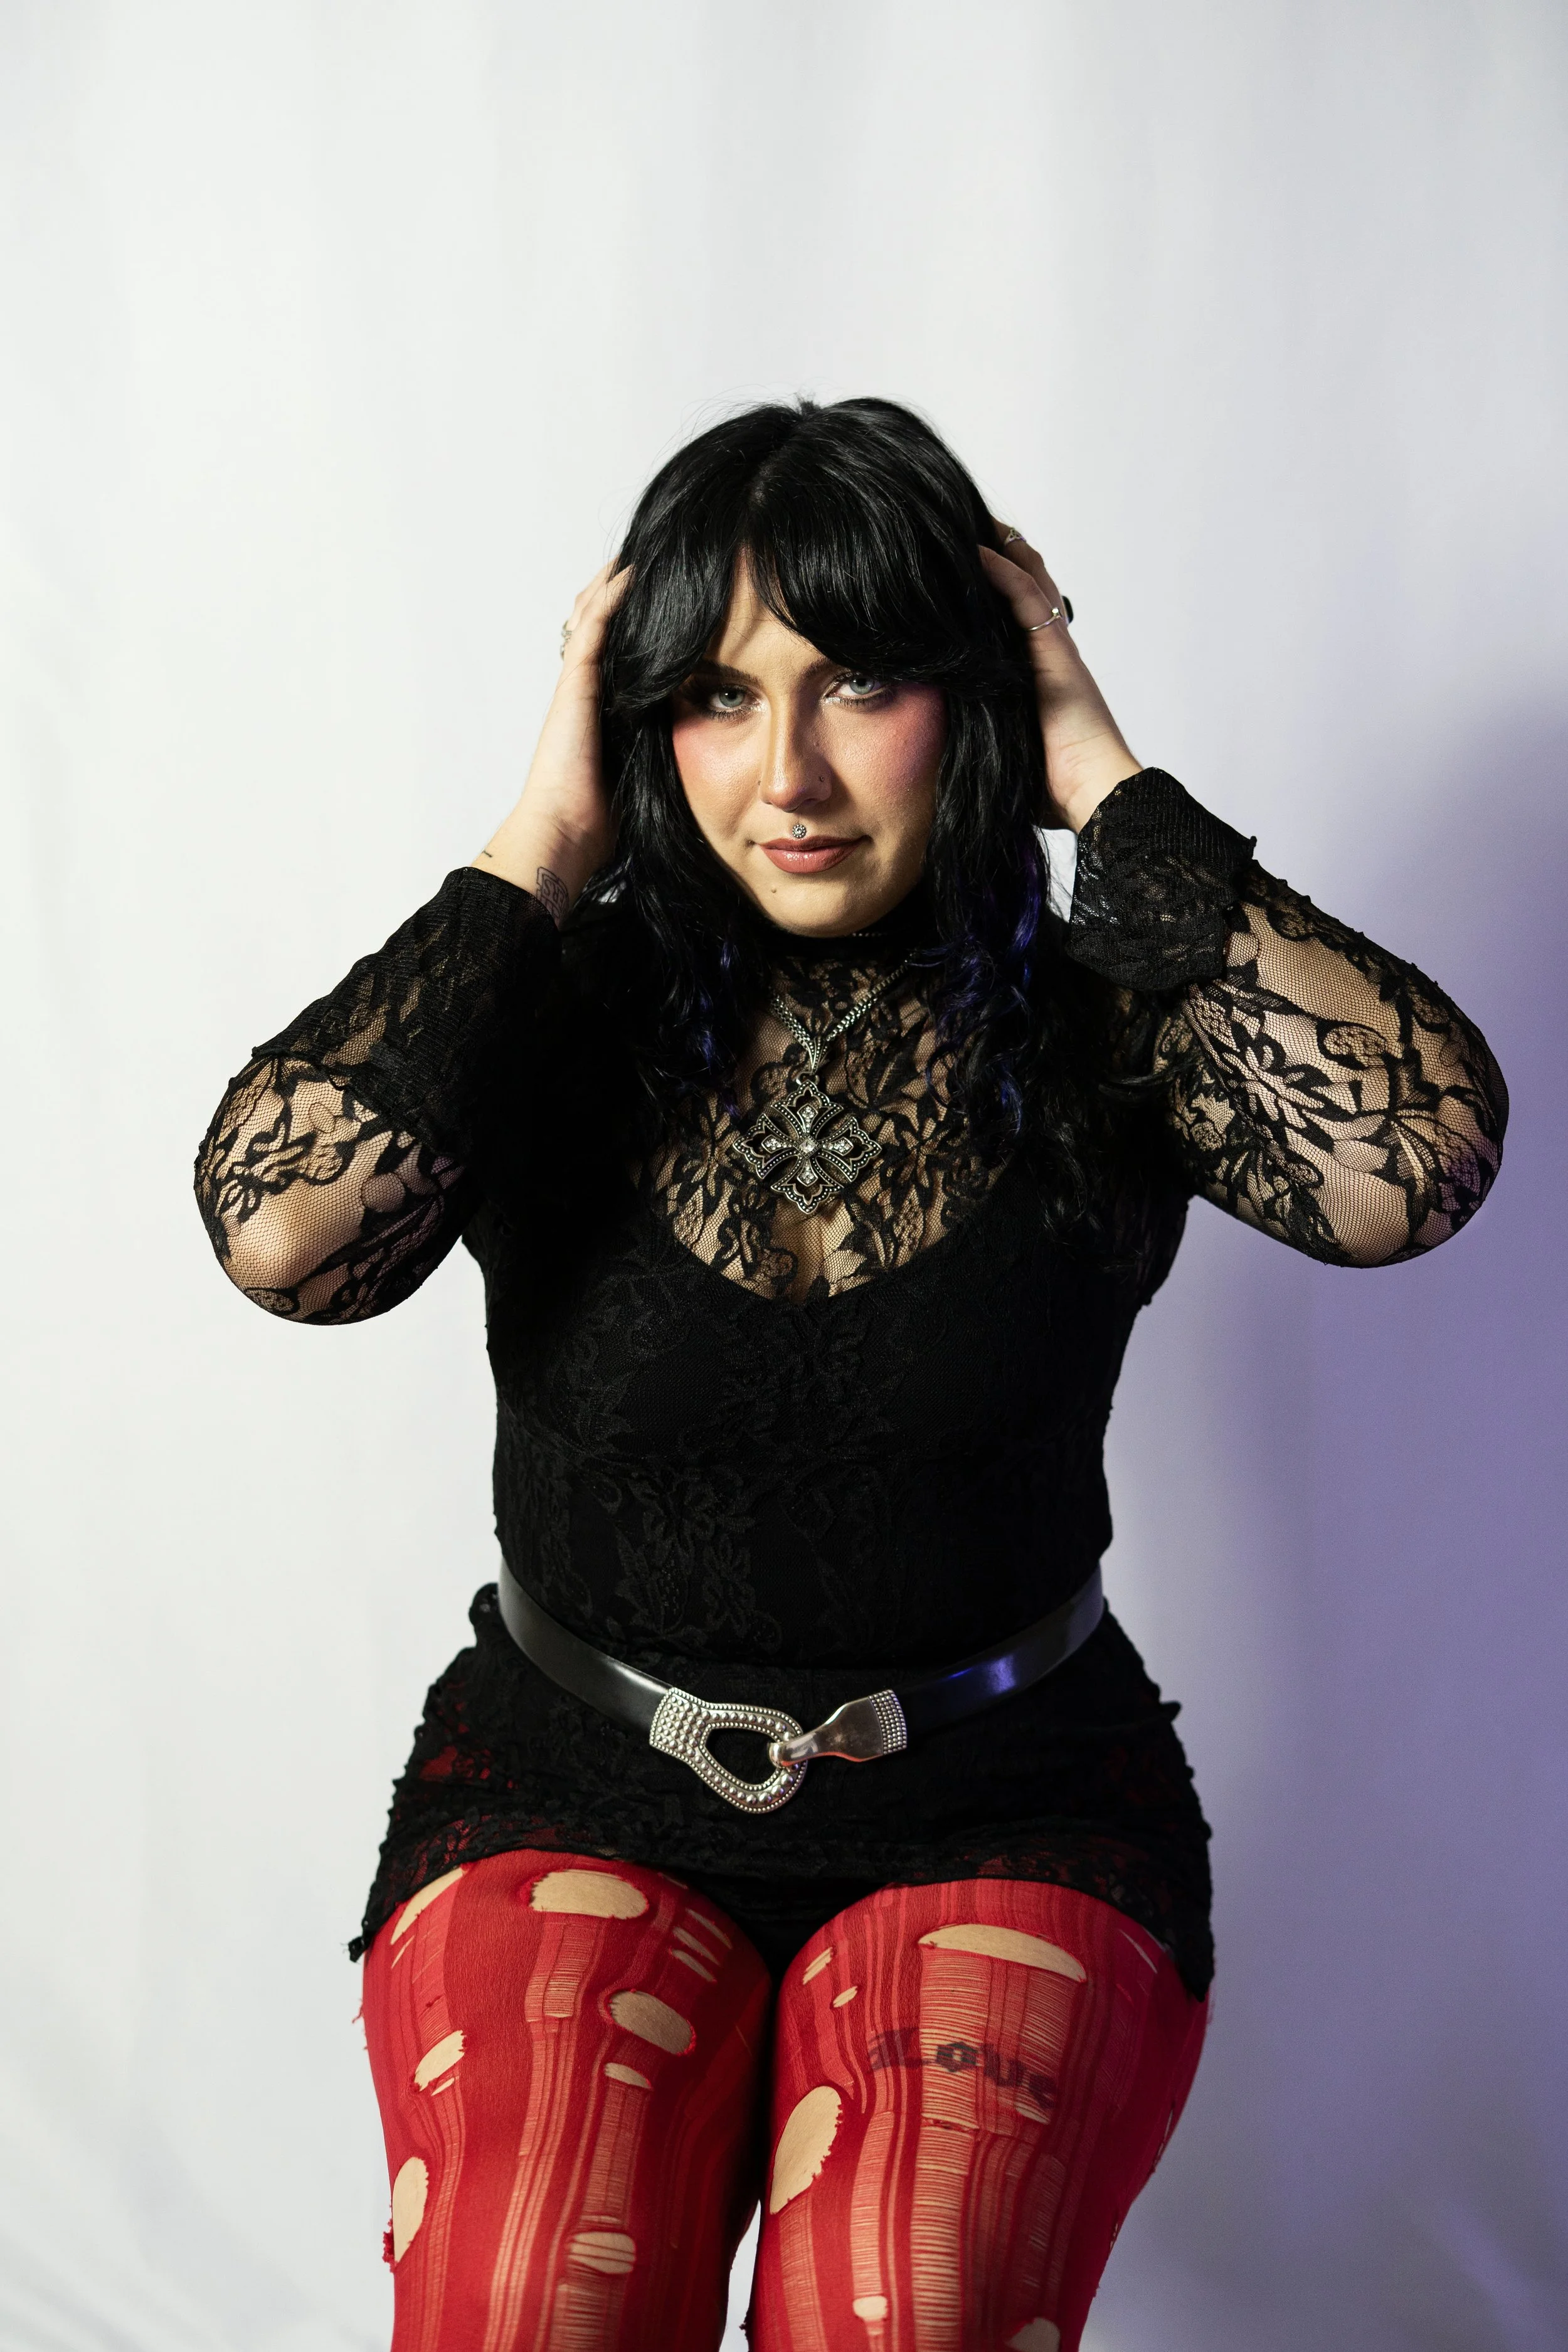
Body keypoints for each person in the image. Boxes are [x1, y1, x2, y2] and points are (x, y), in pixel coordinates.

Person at [195, 398, 1507, 2352]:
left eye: (863, 681)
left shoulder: (1111, 1026)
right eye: (716, 697)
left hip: (1009, 1800)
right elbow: (279, 1238)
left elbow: (1408, 1171)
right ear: (641, 725)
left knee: (907, 2313)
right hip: (573, 1785)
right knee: (524, 2301)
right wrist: (542, 844)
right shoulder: (541, 1016)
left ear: (970, 699)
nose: (788, 774)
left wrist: (1102, 772)